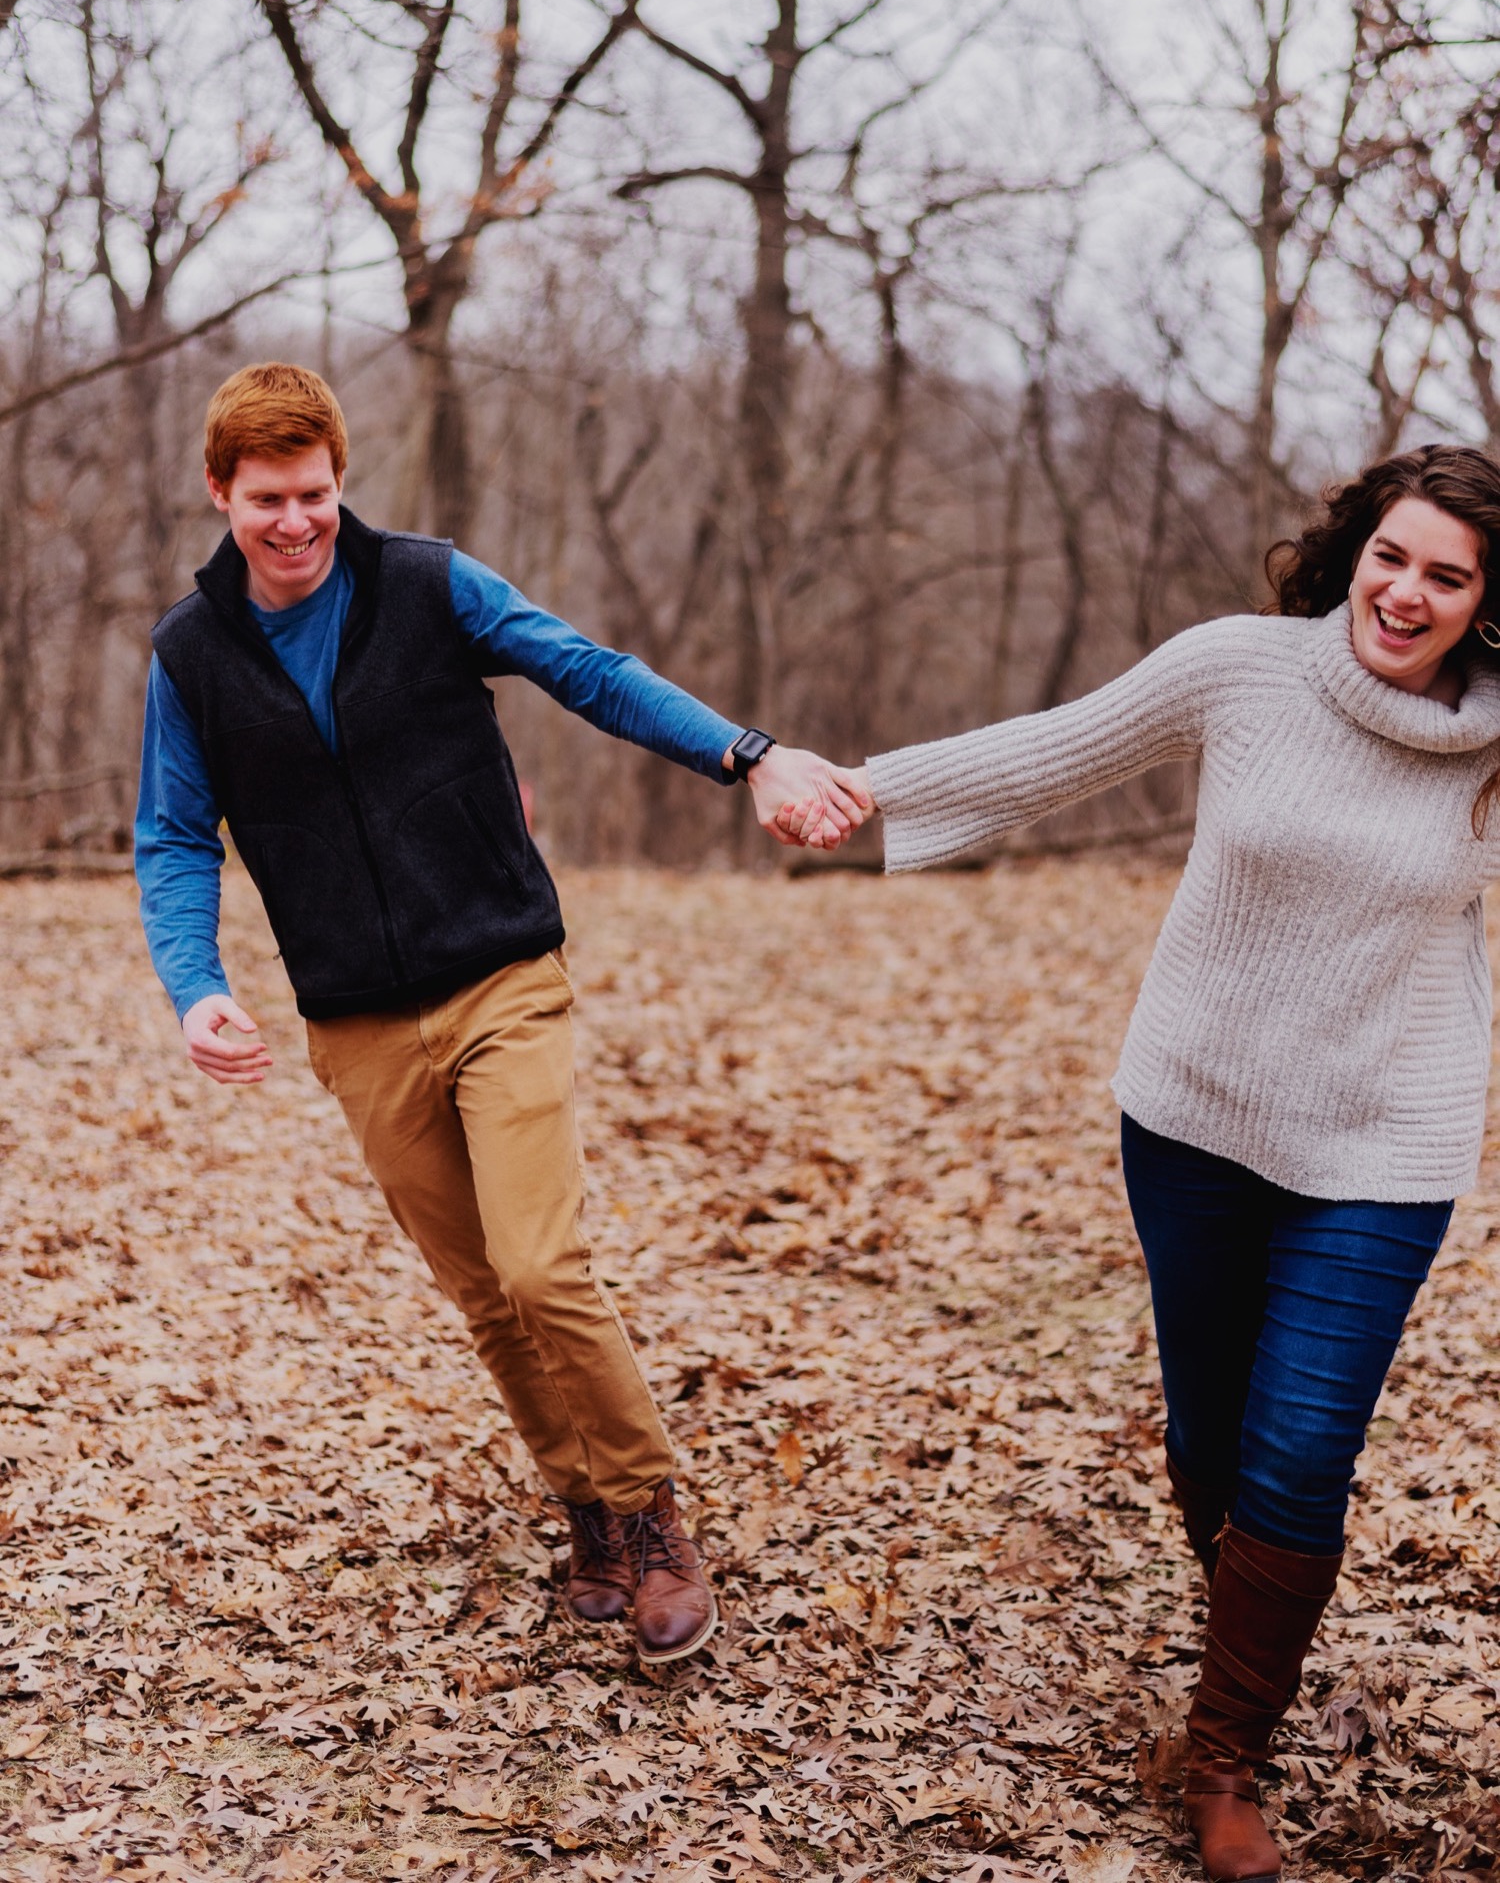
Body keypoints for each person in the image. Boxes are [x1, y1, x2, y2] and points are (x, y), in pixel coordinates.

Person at [811, 445, 1500, 1880]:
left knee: (1303, 1447)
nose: (1405, 590)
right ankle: (1253, 1622)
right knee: (1212, 1448)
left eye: (1446, 573)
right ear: (1353, 551)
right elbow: (1058, 748)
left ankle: (1225, 1752)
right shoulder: (1243, 671)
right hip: (1196, 1110)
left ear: (1485, 603)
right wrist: (866, 790)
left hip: (1387, 1131)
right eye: (1391, 554)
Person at [135, 360, 869, 1666]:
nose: (294, 521)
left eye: (313, 493)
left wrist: (746, 754)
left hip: (498, 978)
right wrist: (196, 988)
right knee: (481, 1291)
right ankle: (581, 1504)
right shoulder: (191, 657)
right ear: (220, 492)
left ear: (339, 479)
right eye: (266, 500)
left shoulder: (425, 584)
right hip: (356, 1022)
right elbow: (175, 834)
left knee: (543, 1264)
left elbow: (586, 670)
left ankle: (650, 1512)